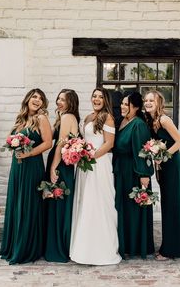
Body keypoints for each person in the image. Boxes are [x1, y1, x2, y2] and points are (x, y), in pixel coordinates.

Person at [0, 88, 52, 264]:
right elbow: (9, 139)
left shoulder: (41, 118)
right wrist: (14, 143)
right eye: (34, 97)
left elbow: (48, 143)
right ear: (27, 99)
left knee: (28, 204)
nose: (37, 100)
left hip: (32, 165)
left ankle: (27, 247)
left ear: (43, 103)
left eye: (40, 98)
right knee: (17, 203)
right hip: (18, 167)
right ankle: (14, 244)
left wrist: (28, 153)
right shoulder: (20, 119)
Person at [70, 87, 121, 265]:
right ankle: (82, 247)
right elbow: (83, 140)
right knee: (84, 202)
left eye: (100, 97)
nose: (96, 99)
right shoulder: (87, 117)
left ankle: (100, 249)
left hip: (99, 164)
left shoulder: (107, 117)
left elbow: (109, 143)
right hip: (85, 165)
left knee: (98, 202)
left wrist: (91, 156)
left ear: (105, 100)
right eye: (94, 96)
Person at [144, 90, 180, 260]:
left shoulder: (164, 119)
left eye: (151, 100)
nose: (148, 103)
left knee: (171, 205)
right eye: (146, 100)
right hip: (164, 166)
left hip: (172, 165)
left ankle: (171, 250)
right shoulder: (151, 120)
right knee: (170, 204)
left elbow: (179, 142)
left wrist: (162, 157)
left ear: (158, 103)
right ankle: (179, 242)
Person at [113, 92, 155, 259]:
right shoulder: (122, 121)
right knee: (122, 208)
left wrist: (144, 176)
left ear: (136, 107)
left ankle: (136, 245)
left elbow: (142, 151)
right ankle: (124, 242)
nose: (122, 106)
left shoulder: (138, 125)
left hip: (134, 172)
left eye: (126, 104)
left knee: (133, 209)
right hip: (120, 170)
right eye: (122, 103)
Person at [44, 88, 80, 262]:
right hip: (62, 163)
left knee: (58, 203)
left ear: (70, 102)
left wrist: (52, 168)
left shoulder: (67, 117)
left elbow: (59, 144)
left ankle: (57, 248)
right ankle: (56, 244)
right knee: (57, 203)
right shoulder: (64, 117)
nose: (59, 102)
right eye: (58, 98)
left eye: (63, 100)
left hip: (60, 164)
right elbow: (50, 136)